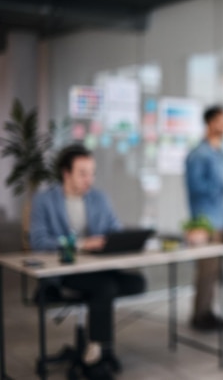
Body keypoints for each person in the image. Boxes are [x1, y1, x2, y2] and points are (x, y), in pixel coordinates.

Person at [30, 144, 145, 380]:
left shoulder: (99, 198)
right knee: (105, 288)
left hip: (98, 268)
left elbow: (115, 229)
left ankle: (96, 343)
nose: (89, 179)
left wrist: (111, 241)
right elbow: (39, 241)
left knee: (138, 283)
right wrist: (81, 244)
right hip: (64, 271)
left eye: (92, 173)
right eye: (82, 173)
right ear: (66, 173)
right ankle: (95, 356)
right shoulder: (45, 200)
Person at [185, 105, 223, 330]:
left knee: (215, 271)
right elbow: (195, 187)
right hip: (204, 220)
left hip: (222, 217)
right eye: (222, 120)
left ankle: (208, 313)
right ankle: (200, 316)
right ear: (211, 123)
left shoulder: (221, 153)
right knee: (206, 269)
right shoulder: (198, 154)